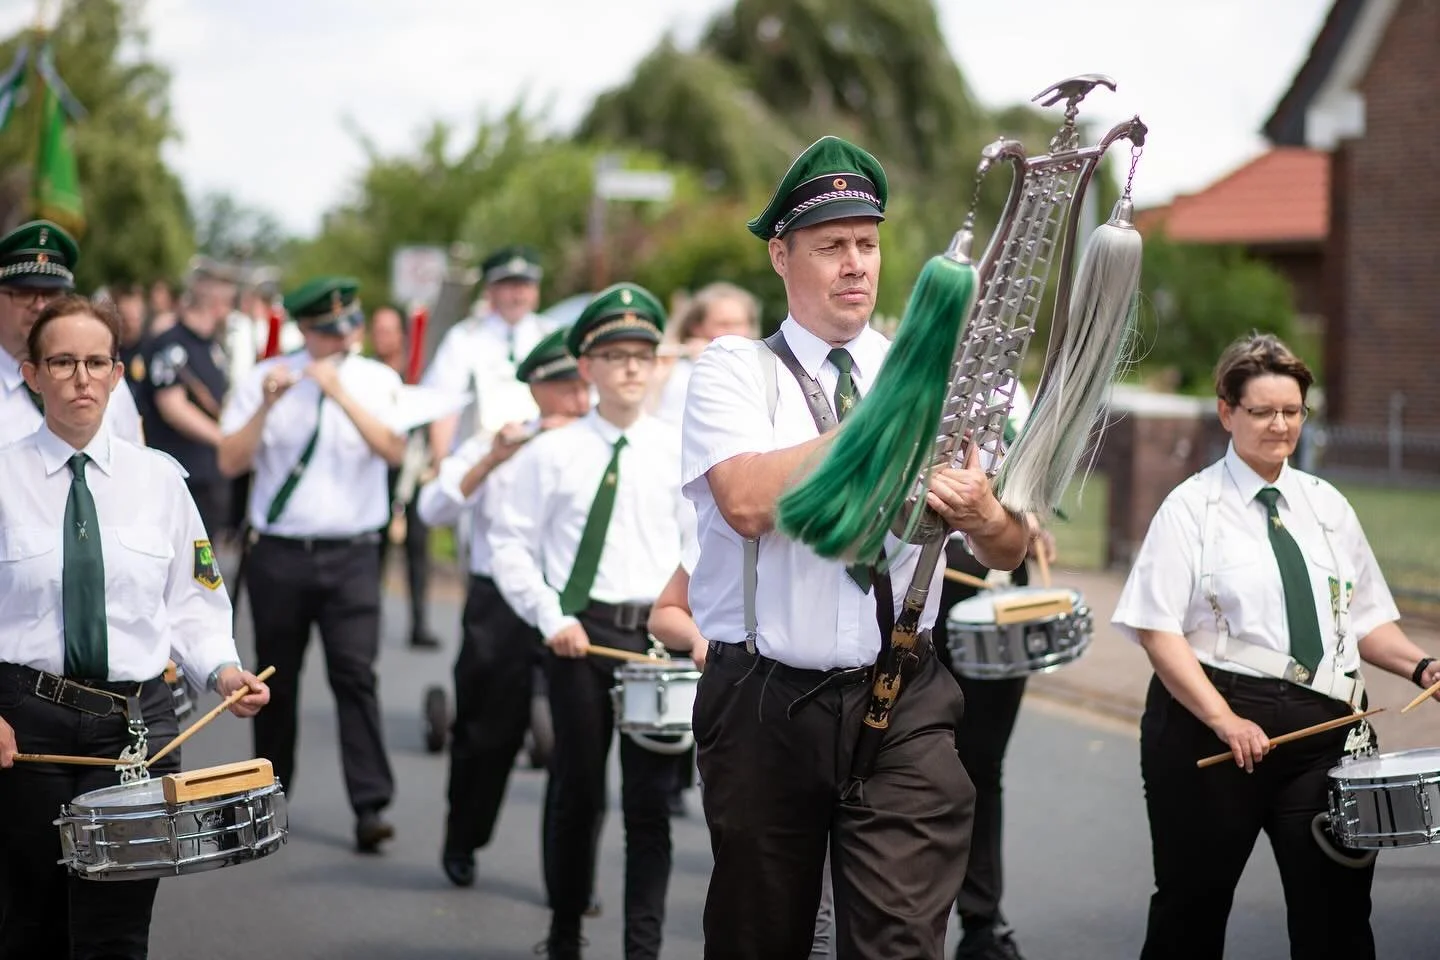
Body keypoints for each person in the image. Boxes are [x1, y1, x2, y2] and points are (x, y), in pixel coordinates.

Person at [682, 136, 1029, 959]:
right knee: (759, 940)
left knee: (899, 945)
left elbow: (1009, 548)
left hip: (904, 694)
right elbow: (746, 501)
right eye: (831, 245)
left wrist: (983, 511)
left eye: (867, 244)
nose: (855, 265)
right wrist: (887, 416)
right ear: (781, 256)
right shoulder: (737, 368)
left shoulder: (932, 374)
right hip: (763, 700)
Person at [1112, 332, 1440, 960]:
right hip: (1213, 732)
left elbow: (1364, 619)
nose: (1280, 425)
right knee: (1190, 913)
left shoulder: (1327, 506)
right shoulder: (1191, 508)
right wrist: (1224, 719)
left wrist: (1421, 666)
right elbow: (1157, 631)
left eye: (1292, 411)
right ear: (1227, 411)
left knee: (1338, 922)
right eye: (1262, 411)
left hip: (1325, 736)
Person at [0, 294, 270, 960]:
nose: (81, 378)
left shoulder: (160, 481)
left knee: (116, 933)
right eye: (62, 362)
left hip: (135, 730)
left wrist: (223, 670)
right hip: (26, 724)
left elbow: (192, 604)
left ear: (118, 374)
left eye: (97, 362)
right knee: (29, 926)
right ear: (32, 374)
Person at [489, 283, 692, 960]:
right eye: (614, 355)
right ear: (587, 367)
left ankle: (643, 947)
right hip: (580, 635)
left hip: (656, 641)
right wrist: (550, 616)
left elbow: (701, 546)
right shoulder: (553, 452)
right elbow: (509, 543)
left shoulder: (680, 450)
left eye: (642, 355)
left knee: (650, 805)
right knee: (577, 792)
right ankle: (565, 931)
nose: (631, 367)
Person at [217, 276, 406, 853]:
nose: (343, 339)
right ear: (306, 330)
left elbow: (394, 450)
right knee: (277, 680)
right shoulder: (266, 377)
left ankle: (371, 805)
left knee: (356, 675)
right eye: (329, 331)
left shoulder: (378, 380)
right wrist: (269, 404)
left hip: (352, 553)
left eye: (349, 327)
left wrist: (340, 394)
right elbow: (230, 460)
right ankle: (270, 797)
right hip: (281, 554)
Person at [416, 326, 591, 888]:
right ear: (537, 388)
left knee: (578, 744)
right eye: (567, 387)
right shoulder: (507, 440)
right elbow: (432, 509)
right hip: (503, 603)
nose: (581, 398)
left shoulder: (600, 442)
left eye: (584, 384)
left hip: (575, 599)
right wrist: (491, 459)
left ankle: (571, 878)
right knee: (487, 733)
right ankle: (463, 837)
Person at [0, 221, 143, 447]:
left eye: (51, 294)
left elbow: (133, 457)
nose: (40, 306)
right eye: (25, 293)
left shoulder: (103, 378)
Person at [424, 245, 555, 460]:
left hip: (540, 454)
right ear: (490, 290)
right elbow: (443, 405)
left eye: (525, 285)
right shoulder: (464, 338)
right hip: (478, 456)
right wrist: (441, 465)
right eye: (509, 286)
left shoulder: (551, 335)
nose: (519, 294)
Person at [143, 265, 235, 539]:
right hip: (180, 477)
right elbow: (173, 407)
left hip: (210, 476)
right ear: (217, 304)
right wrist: (224, 439)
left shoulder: (212, 345)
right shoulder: (170, 344)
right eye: (229, 303)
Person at [370, 304, 440, 649]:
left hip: (415, 469)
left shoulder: (418, 372)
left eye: (389, 330)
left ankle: (419, 622)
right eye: (378, 330)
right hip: (377, 471)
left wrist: (435, 456)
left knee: (418, 547)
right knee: (376, 547)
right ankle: (369, 617)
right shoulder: (367, 374)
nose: (383, 337)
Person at [649, 281, 760, 425]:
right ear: (696, 327)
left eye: (739, 324)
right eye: (723, 324)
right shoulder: (674, 370)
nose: (734, 332)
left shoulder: (761, 368)